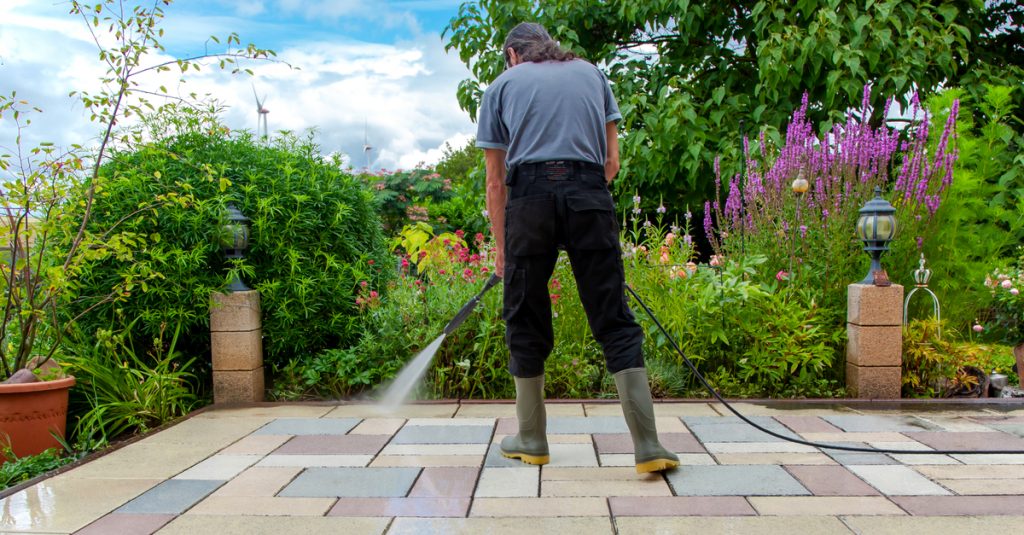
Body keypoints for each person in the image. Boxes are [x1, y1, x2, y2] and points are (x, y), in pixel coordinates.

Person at [476, 22, 679, 474]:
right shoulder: (593, 74)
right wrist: (578, 195)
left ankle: (531, 438)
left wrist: (502, 247)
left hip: (528, 200)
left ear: (512, 54)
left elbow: (494, 181)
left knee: (524, 314)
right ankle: (648, 446)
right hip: (588, 193)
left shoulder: (501, 86)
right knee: (613, 316)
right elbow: (611, 163)